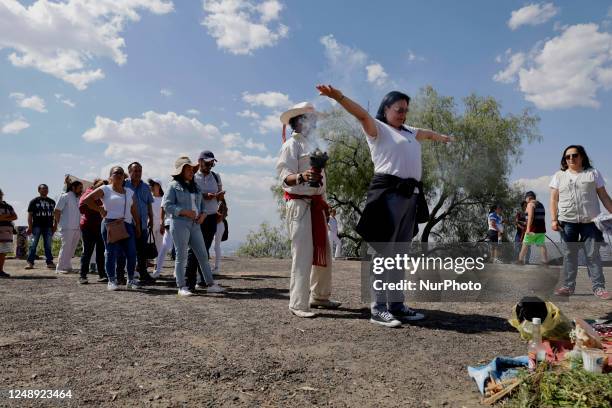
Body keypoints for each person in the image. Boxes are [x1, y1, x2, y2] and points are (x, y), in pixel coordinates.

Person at [317, 84, 452, 327]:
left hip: (410, 196)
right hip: (387, 194)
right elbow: (360, 113)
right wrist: (337, 96)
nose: (403, 114)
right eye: (399, 109)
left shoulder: (409, 131)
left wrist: (441, 138)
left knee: (399, 255)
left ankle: (397, 305)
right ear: (386, 108)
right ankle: (378, 308)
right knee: (382, 254)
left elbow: (427, 133)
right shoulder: (377, 128)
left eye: (406, 110)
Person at [276, 101, 341, 318]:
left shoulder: (313, 145)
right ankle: (298, 304)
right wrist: (303, 177)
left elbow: (321, 180)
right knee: (302, 254)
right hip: (299, 205)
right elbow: (284, 178)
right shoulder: (290, 146)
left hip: (315, 204)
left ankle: (320, 296)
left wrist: (323, 199)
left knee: (325, 251)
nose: (313, 124)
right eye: (309, 119)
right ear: (298, 121)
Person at [550, 145, 612, 300]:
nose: (571, 159)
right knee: (569, 254)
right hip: (567, 222)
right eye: (567, 156)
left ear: (582, 156)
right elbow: (554, 199)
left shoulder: (593, 173)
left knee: (593, 255)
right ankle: (568, 287)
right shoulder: (559, 176)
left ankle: (599, 288)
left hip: (590, 222)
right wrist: (553, 219)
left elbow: (604, 196)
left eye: (574, 155)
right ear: (564, 160)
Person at [162, 156, 225, 296]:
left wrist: (203, 214)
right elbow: (166, 205)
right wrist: (183, 212)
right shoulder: (173, 186)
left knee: (203, 255)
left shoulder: (195, 186)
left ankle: (210, 284)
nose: (191, 171)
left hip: (195, 224)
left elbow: (201, 204)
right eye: (188, 169)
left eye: (191, 169)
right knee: (181, 256)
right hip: (179, 224)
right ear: (181, 171)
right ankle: (181, 287)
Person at [82, 166, 142, 291]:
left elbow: (134, 211)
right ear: (110, 177)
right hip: (110, 224)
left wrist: (138, 226)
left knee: (131, 254)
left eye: (121, 173)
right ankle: (111, 280)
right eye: (116, 173)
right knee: (111, 253)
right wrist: (99, 209)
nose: (119, 175)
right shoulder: (105, 189)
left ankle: (130, 280)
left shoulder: (130, 192)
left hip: (127, 225)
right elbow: (86, 200)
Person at [187, 150, 224, 286]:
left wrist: (219, 199)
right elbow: (189, 195)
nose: (210, 166)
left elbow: (220, 196)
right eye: (208, 163)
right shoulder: (193, 177)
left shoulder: (216, 176)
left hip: (212, 216)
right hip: (197, 217)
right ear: (200, 162)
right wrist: (204, 195)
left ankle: (202, 279)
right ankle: (189, 281)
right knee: (194, 249)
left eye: (212, 163)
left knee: (205, 249)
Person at [116, 162, 156, 284]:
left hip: (143, 224)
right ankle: (121, 275)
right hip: (127, 224)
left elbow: (149, 203)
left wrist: (151, 219)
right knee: (125, 251)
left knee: (142, 251)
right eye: (135, 171)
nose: (138, 173)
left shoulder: (145, 187)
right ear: (129, 172)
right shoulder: (123, 185)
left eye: (139, 171)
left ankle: (143, 273)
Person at [79, 179, 108, 284]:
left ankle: (102, 274)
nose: (102, 188)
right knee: (87, 251)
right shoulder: (89, 192)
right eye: (100, 185)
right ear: (95, 185)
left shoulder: (106, 193)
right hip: (88, 226)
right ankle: (82, 275)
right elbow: (82, 205)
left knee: (101, 252)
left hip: (100, 226)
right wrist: (99, 209)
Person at [54, 180, 83, 273]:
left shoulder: (78, 198)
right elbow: (57, 211)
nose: (81, 190)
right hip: (67, 227)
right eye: (79, 188)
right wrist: (60, 223)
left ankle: (67, 266)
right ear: (73, 188)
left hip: (77, 227)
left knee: (72, 248)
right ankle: (60, 268)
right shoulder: (65, 196)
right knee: (66, 247)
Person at [25, 184, 56, 269]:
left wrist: (55, 225)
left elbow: (56, 215)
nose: (45, 190)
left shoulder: (52, 202)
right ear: (39, 190)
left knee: (48, 245)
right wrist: (30, 227)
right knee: (33, 244)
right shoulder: (34, 201)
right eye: (43, 189)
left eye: (46, 189)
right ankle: (30, 262)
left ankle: (49, 262)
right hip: (36, 226)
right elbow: (30, 215)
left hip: (48, 226)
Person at [518, 191, 548, 265]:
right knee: (542, 245)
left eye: (526, 198)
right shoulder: (541, 205)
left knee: (525, 245)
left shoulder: (530, 204)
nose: (526, 200)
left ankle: (520, 261)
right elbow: (543, 217)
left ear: (529, 198)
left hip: (532, 229)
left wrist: (528, 229)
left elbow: (531, 216)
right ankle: (545, 261)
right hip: (541, 229)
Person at [0, 188, 17, 278]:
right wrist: (8, 216)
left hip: (7, 232)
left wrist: (4, 217)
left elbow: (15, 216)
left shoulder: (8, 206)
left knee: (3, 252)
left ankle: (0, 270)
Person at [152, 206, 172, 278]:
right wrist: (162, 223)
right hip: (169, 223)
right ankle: (157, 270)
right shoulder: (166, 195)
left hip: (181, 222)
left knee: (177, 249)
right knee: (164, 248)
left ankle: (176, 272)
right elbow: (163, 208)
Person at [148, 178, 164, 267]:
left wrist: (164, 224)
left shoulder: (164, 199)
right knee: (149, 245)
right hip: (151, 225)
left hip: (161, 225)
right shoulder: (149, 198)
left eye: (153, 184)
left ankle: (157, 267)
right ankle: (144, 266)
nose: (151, 186)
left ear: (158, 186)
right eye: (151, 185)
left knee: (159, 246)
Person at [212, 198, 228, 274]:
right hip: (219, 224)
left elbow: (220, 217)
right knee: (216, 246)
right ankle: (216, 267)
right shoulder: (220, 202)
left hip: (218, 224)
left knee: (216, 246)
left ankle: (216, 267)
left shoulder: (220, 203)